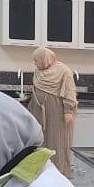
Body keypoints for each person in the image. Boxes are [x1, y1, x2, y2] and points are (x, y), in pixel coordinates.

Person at [24, 47, 78, 177]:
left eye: (36, 60)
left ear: (45, 59)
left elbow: (70, 91)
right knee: (40, 141)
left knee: (57, 141)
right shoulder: (38, 72)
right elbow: (37, 89)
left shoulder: (64, 71)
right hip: (38, 111)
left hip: (57, 113)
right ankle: (41, 172)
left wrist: (68, 110)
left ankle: (59, 173)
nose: (34, 63)